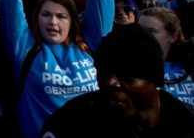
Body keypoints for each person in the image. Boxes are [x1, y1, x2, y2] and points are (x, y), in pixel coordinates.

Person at [0, 0, 114, 138]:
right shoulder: (26, 49)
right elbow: (9, 4)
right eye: (46, 15)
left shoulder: (90, 45)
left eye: (61, 16)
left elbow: (100, 4)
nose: (52, 21)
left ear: (73, 21)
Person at [40, 23, 194, 137]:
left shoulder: (186, 122)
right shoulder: (70, 121)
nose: (110, 82)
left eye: (126, 73)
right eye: (104, 72)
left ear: (155, 80)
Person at [138, 7, 194, 107]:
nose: (143, 35)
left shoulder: (188, 68)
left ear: (173, 36)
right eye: (139, 30)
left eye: (152, 31)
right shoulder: (122, 68)